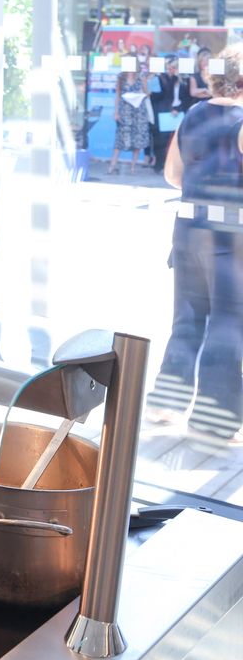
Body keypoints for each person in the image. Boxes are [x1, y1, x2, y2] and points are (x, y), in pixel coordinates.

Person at [146, 43, 243, 445]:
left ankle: (164, 404)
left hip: (187, 230)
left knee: (187, 318)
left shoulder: (193, 114)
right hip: (230, 237)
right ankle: (214, 421)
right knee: (229, 323)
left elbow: (173, 174)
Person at [150, 54, 192, 172]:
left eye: (174, 67)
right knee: (161, 140)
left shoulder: (184, 80)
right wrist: (170, 109)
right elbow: (159, 96)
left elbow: (186, 98)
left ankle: (176, 166)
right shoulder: (162, 79)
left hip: (179, 112)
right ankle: (159, 165)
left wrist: (177, 109)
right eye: (170, 67)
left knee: (178, 140)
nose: (172, 70)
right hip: (165, 113)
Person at [107, 69, 151, 175]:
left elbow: (147, 94)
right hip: (124, 111)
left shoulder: (140, 77)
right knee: (120, 138)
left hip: (138, 111)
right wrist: (116, 111)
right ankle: (112, 166)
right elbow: (117, 95)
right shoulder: (121, 77)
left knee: (138, 139)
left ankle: (133, 167)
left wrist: (144, 83)